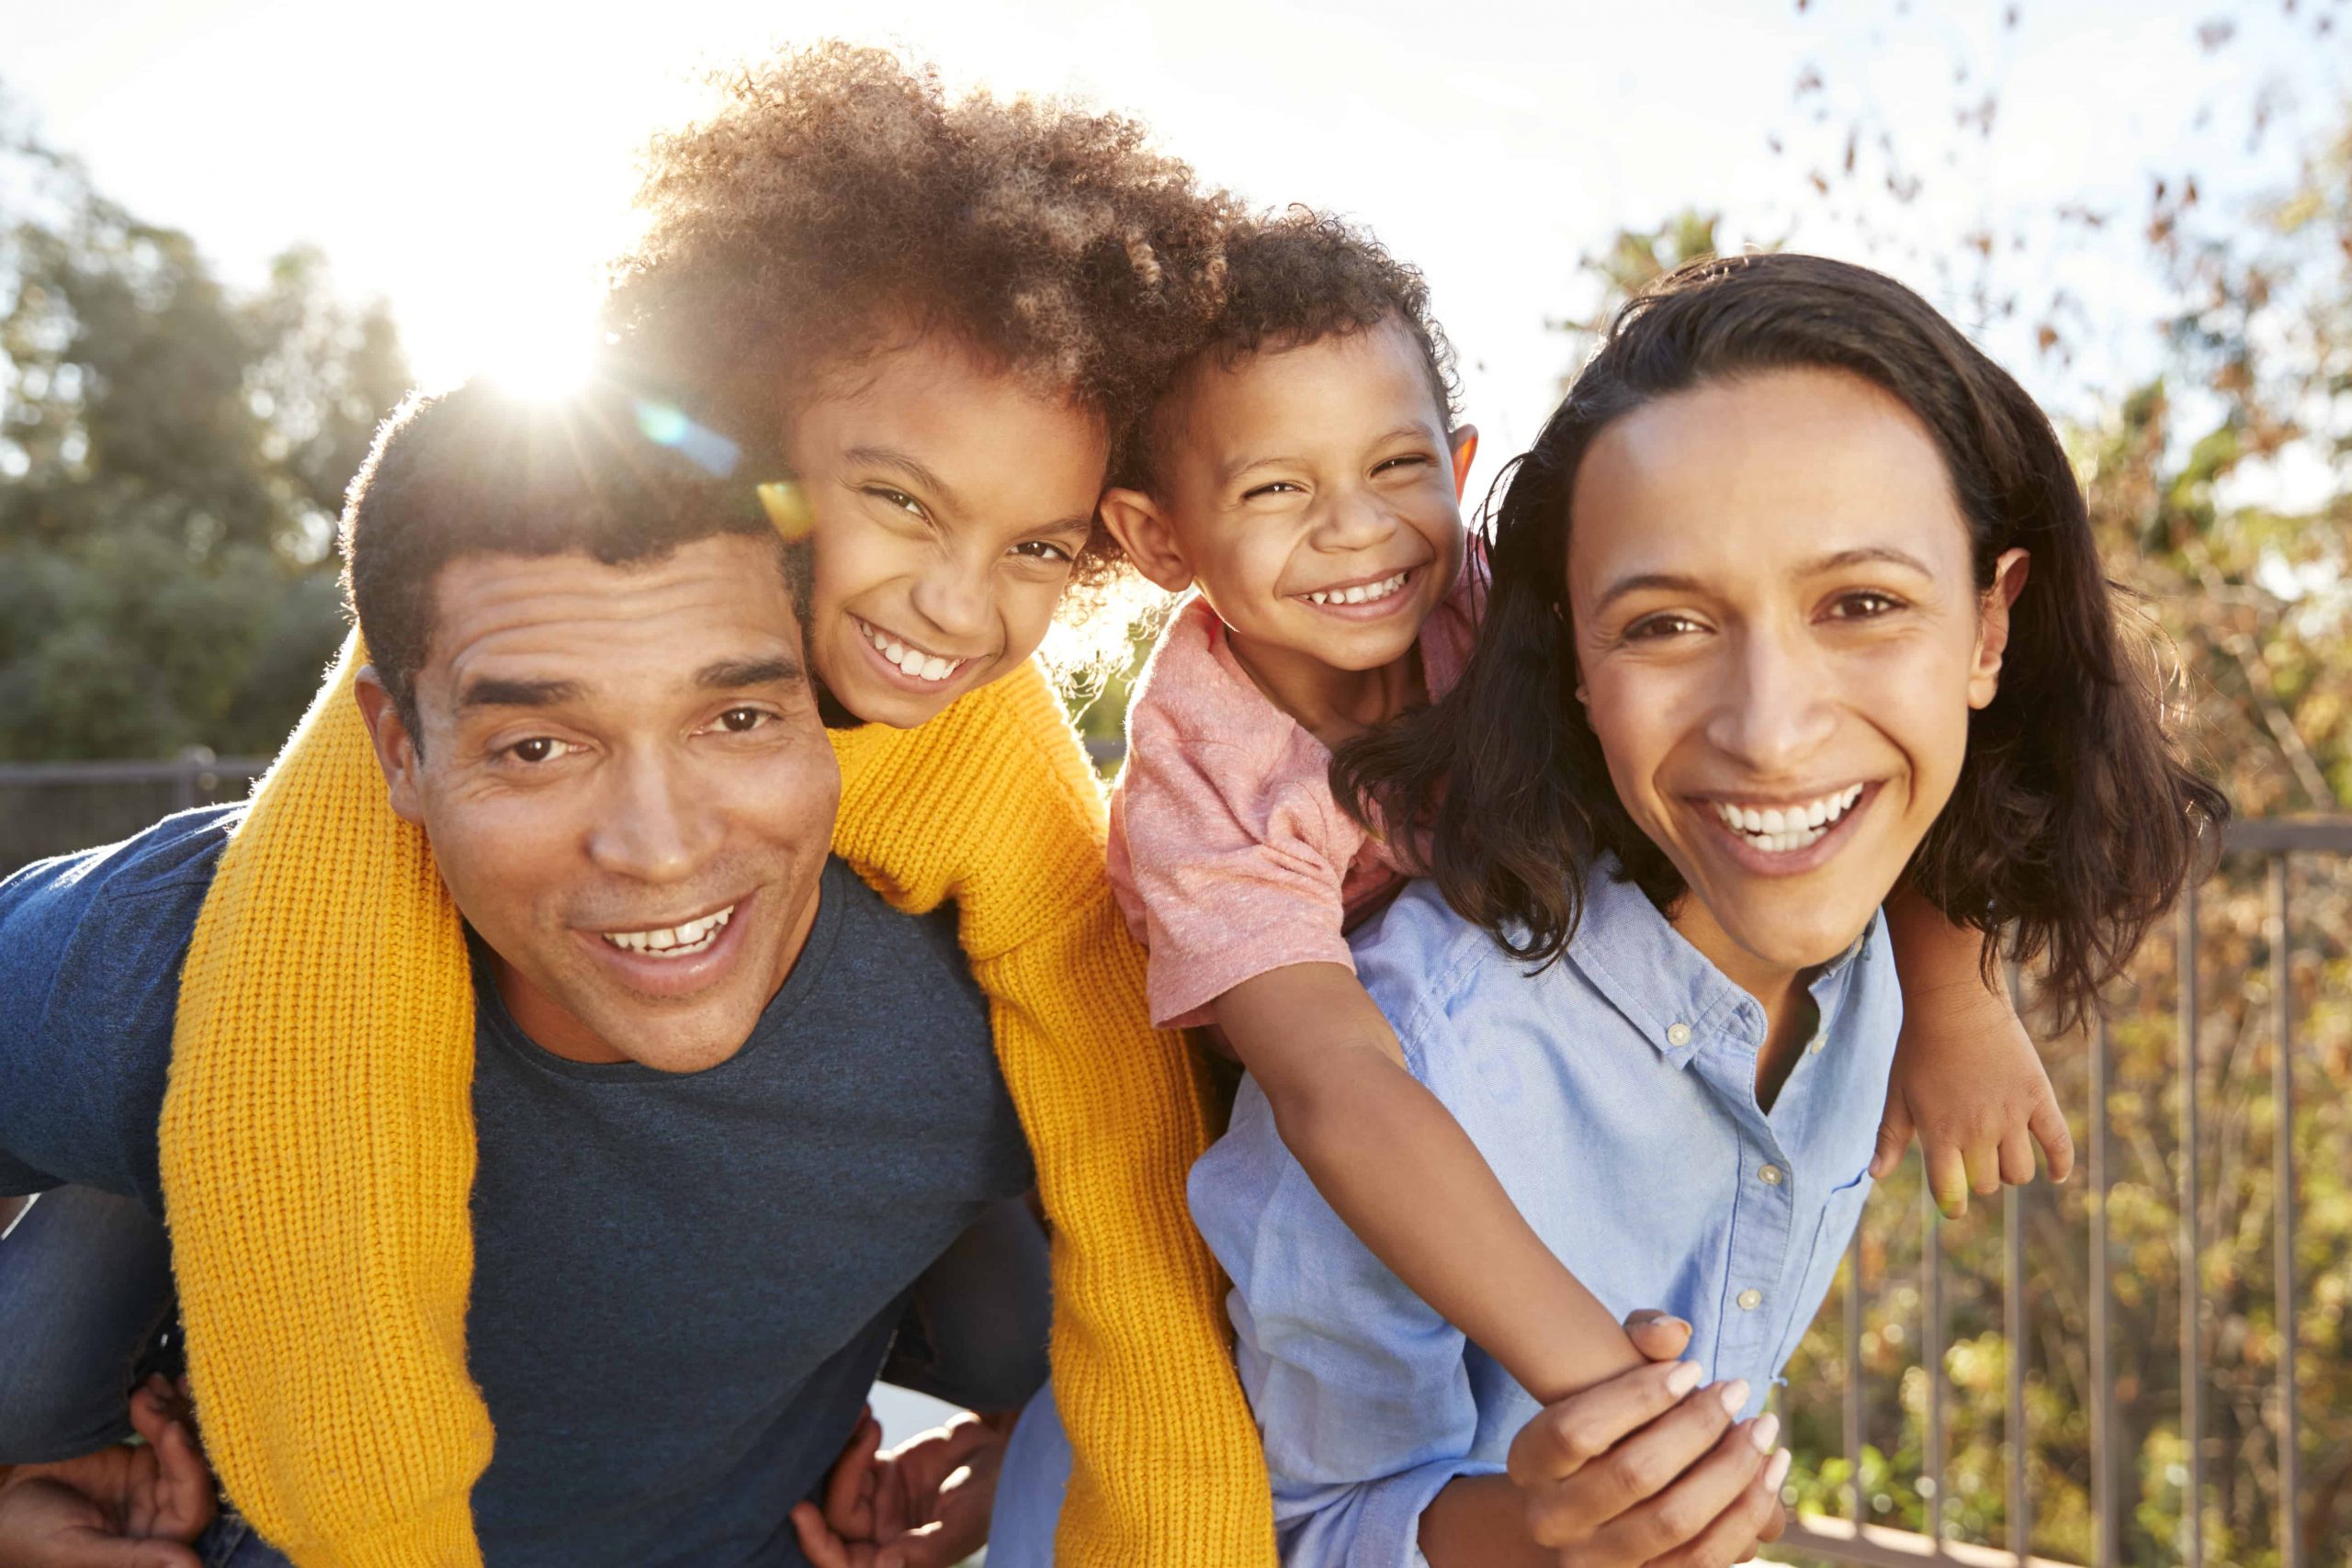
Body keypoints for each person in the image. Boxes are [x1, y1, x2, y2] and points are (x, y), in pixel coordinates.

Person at [0, 46, 1276, 1568]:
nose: (950, 604)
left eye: (1041, 550)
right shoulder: (197, 941)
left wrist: (1046, 1458)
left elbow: (1154, 1204)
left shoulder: (993, 946)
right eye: (542, 746)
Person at [1192, 251, 2222, 1564]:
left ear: (1988, 626)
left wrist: (1958, 991)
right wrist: (1537, 1536)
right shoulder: (1428, 1057)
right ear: (1571, 657)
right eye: (1669, 625)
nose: (1774, 734)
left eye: (1861, 605)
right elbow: (1288, 1527)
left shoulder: (1885, 956)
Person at [1080, 209, 2078, 1426]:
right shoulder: (1208, 787)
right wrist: (1606, 1385)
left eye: (1394, 469)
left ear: (1456, 471)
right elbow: (1340, 1091)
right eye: (1277, 487)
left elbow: (1836, 763)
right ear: (1154, 535)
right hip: (1263, 1095)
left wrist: (1957, 997)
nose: (1354, 527)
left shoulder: (1489, 605)